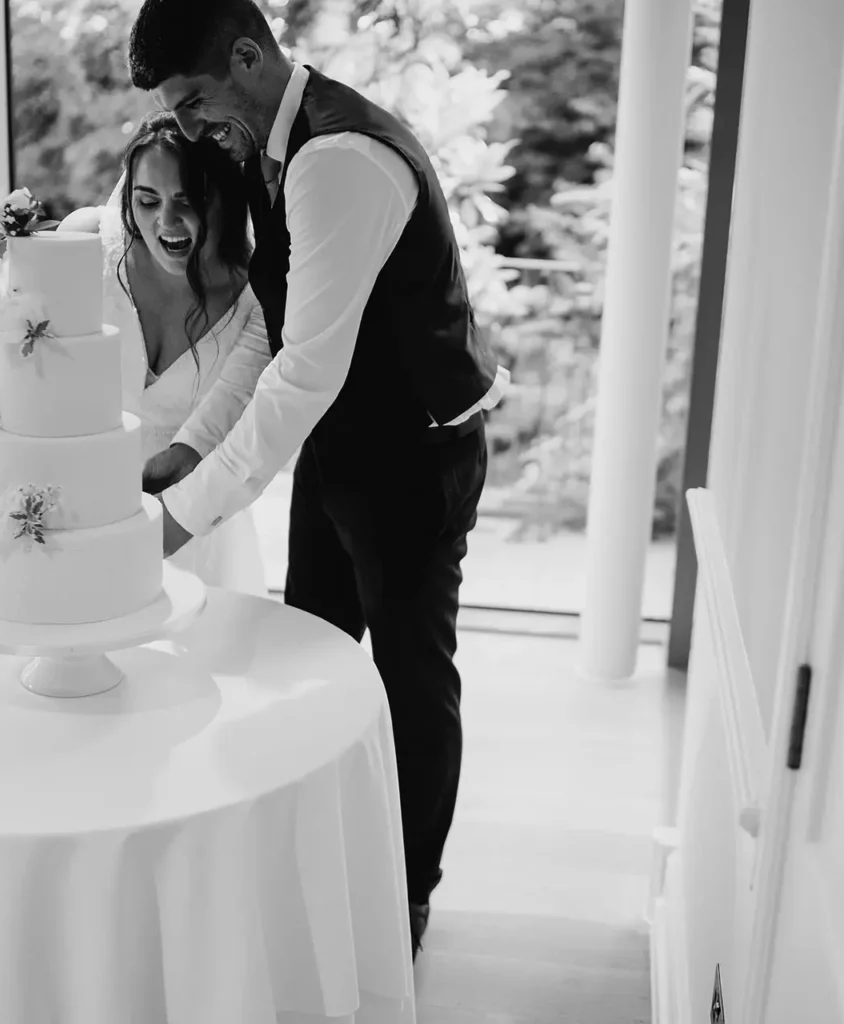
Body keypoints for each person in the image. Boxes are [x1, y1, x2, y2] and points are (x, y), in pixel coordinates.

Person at [128, 0, 510, 959]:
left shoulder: (339, 158)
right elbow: (270, 330)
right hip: (345, 447)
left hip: (417, 459)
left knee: (409, 680)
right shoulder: (269, 147)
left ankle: (405, 897)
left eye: (193, 102)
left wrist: (180, 517)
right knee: (309, 654)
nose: (184, 132)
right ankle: (318, 850)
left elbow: (305, 372)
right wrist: (188, 451)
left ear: (250, 56)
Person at [58, 112, 269, 597]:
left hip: (192, 515)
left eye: (186, 201)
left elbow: (234, 406)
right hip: (81, 503)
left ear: (222, 198)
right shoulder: (88, 244)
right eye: (147, 200)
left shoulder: (259, 297)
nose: (165, 221)